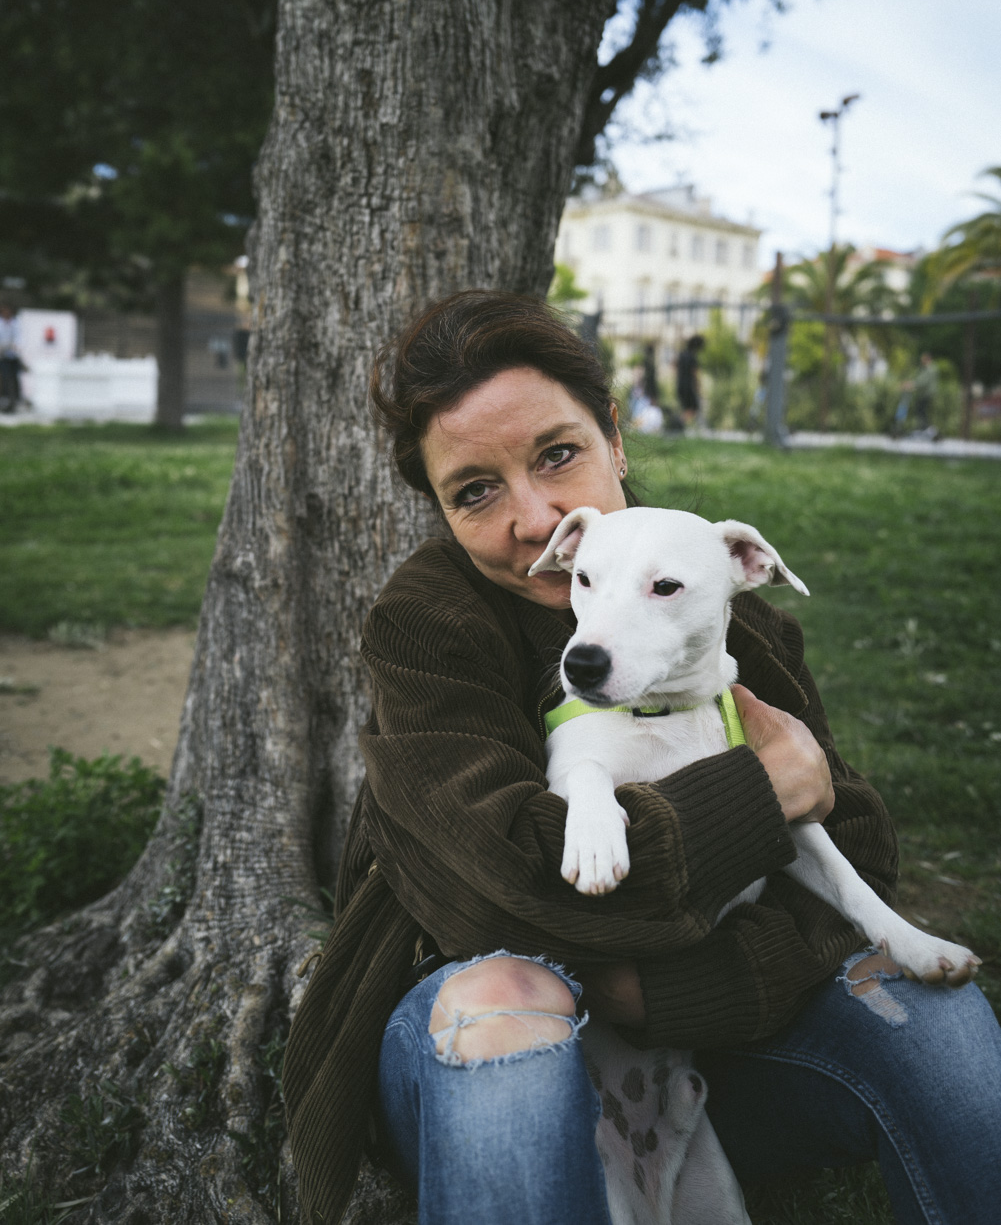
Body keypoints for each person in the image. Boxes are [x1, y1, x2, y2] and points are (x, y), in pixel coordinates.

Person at [283, 290, 1001, 1225]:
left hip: (705, 1048)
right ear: (442, 513)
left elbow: (857, 852)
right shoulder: (425, 629)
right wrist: (758, 795)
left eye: (557, 454)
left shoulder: (732, 616)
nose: (537, 520)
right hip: (486, 1055)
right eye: (475, 490)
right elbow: (513, 886)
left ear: (614, 437)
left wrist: (663, 992)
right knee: (511, 995)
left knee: (934, 1016)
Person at [675, 333, 705, 428]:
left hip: (680, 384)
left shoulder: (682, 354)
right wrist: (698, 387)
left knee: (686, 408)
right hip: (688, 385)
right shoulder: (692, 357)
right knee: (694, 408)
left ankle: (678, 423)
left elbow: (675, 365)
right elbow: (694, 374)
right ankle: (678, 423)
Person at [0, 303, 24, 413]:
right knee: (5, 379)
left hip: (13, 356)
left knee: (14, 379)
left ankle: (14, 402)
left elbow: (20, 339)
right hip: (3, 356)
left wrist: (15, 346)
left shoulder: (16, 323)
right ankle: (5, 401)